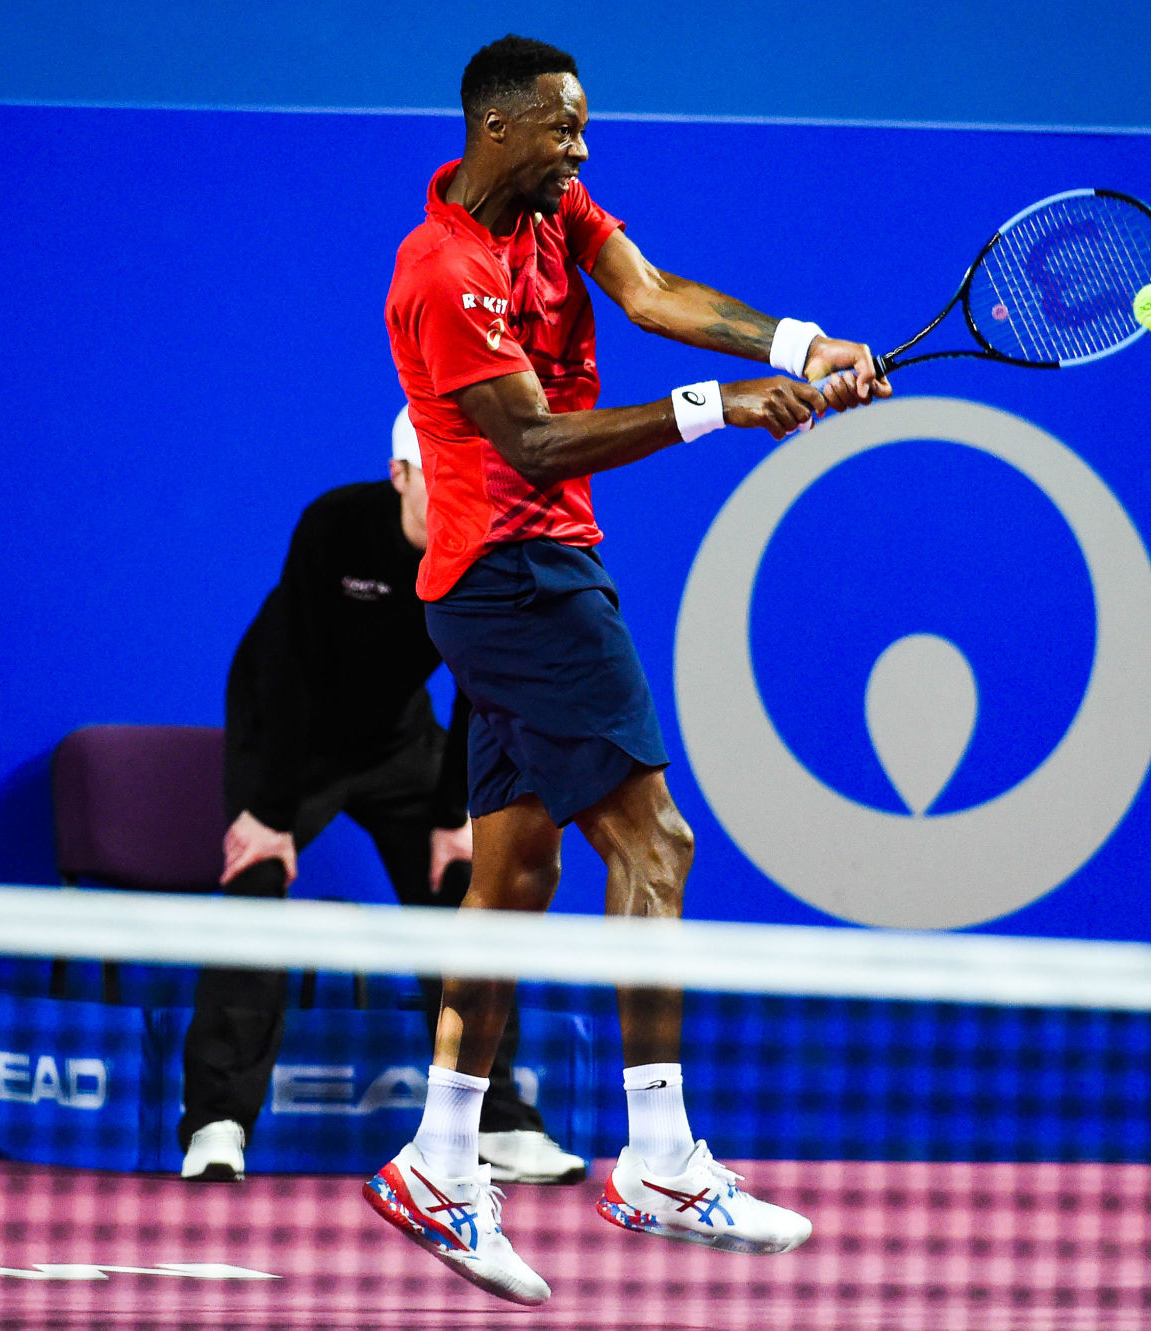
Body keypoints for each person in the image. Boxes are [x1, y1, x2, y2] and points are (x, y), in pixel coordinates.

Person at [359, 34, 890, 1306]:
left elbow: (650, 292)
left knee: (515, 868)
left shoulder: (552, 213)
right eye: (562, 129)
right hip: (521, 581)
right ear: (498, 129)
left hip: (512, 586)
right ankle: (658, 1155)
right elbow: (536, 443)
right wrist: (719, 407)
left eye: (582, 128)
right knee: (655, 845)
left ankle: (439, 1157)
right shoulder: (444, 272)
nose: (581, 149)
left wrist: (797, 346)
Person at [177, 414, 586, 1189]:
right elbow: (288, 665)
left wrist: (448, 817)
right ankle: (215, 1122)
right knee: (253, 894)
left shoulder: (482, 546)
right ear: (399, 475)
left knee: (465, 896)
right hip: (287, 733)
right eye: (441, 475)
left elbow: (478, 688)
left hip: (398, 740)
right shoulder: (335, 525)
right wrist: (268, 809)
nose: (461, 493)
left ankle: (494, 1122)